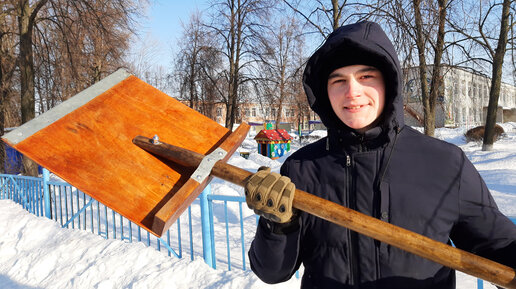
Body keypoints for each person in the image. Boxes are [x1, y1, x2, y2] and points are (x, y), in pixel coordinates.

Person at [244, 21, 516, 289]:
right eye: (339, 80)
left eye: (366, 77)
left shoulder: (443, 164)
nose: (352, 93)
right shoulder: (302, 168)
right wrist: (277, 226)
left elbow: (498, 245)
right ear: (325, 92)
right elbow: (272, 272)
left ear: (389, 82)